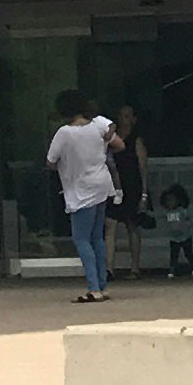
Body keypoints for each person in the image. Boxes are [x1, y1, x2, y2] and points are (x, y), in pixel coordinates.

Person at [47, 97, 118, 303]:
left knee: (81, 238)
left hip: (80, 189)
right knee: (97, 237)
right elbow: (111, 129)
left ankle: (93, 287)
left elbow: (51, 161)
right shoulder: (96, 127)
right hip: (102, 184)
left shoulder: (64, 133)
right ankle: (102, 285)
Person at [105, 106, 150, 281]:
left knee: (132, 224)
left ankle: (135, 267)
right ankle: (109, 268)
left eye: (127, 116)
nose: (123, 119)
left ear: (133, 120)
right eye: (121, 116)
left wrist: (144, 194)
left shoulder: (136, 141)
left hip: (132, 186)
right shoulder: (112, 140)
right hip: (114, 186)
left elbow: (143, 168)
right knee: (110, 223)